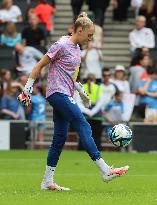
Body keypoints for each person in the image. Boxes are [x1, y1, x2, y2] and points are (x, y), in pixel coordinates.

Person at [17, 12, 129, 191]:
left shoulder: (77, 49)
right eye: (89, 35)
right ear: (79, 30)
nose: (91, 39)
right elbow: (39, 66)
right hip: (57, 93)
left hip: (65, 92)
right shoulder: (61, 45)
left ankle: (47, 181)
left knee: (60, 138)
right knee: (83, 124)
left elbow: (70, 75)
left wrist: (81, 91)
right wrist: (27, 89)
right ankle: (105, 170)